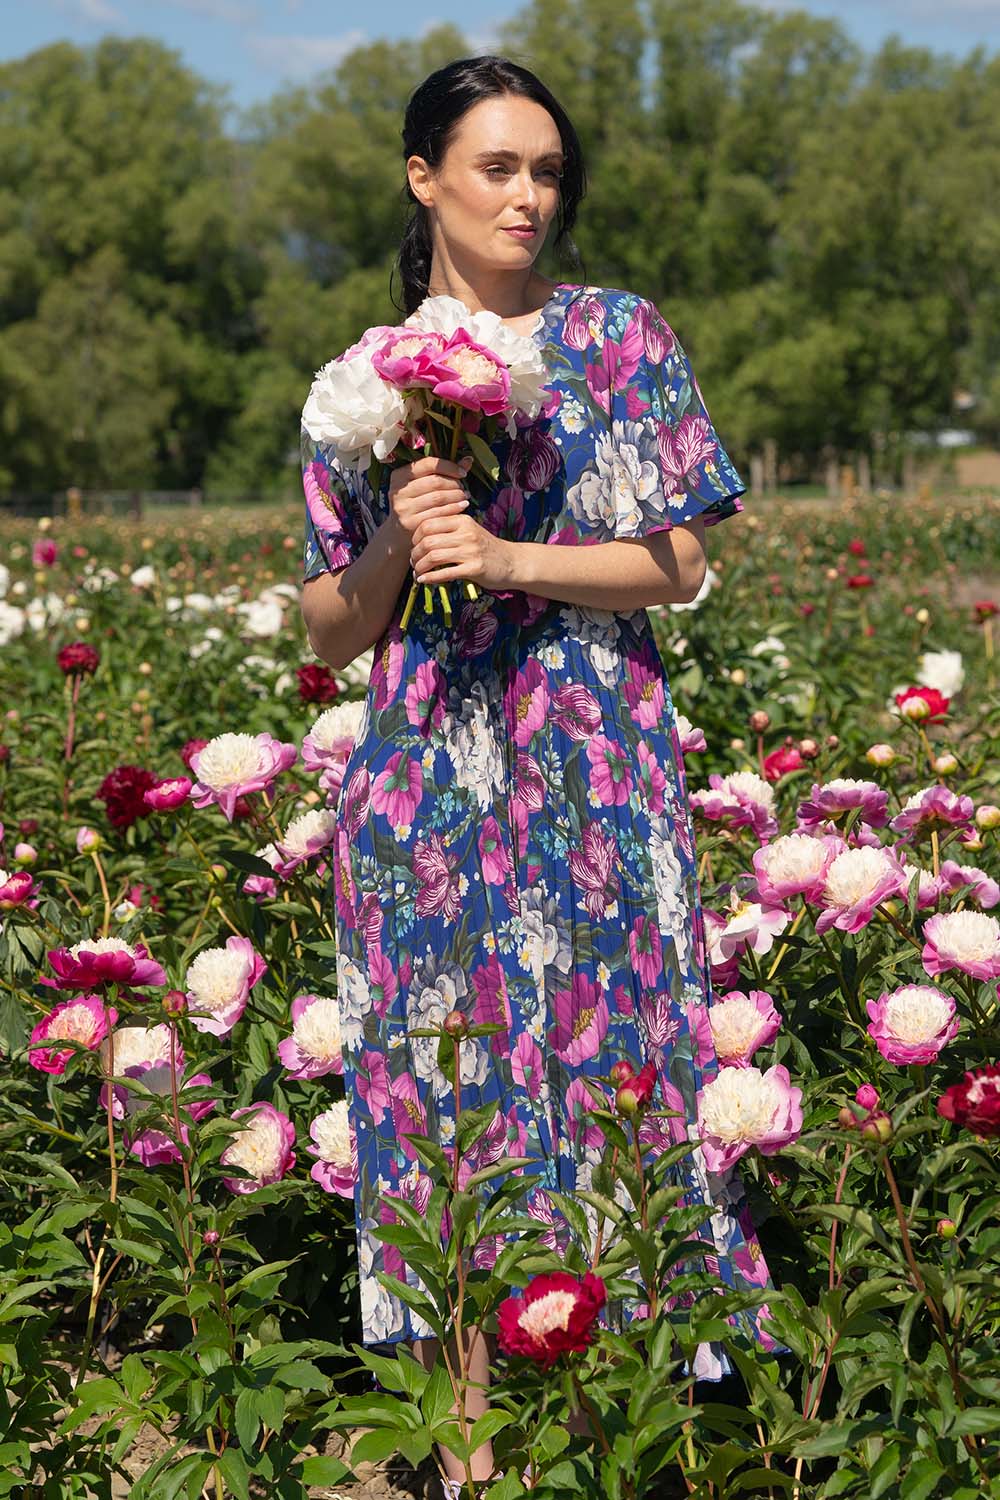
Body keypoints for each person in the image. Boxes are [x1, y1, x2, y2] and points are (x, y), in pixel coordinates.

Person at [299, 54, 778, 1496]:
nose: (527, 195)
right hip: (423, 791)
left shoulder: (621, 338)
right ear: (422, 175)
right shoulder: (362, 377)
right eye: (497, 166)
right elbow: (327, 628)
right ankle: (468, 1453)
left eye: (546, 172)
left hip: (593, 767)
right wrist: (403, 533)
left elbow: (681, 562)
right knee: (445, 1096)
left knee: (615, 1069)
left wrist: (508, 559)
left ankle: (620, 1436)